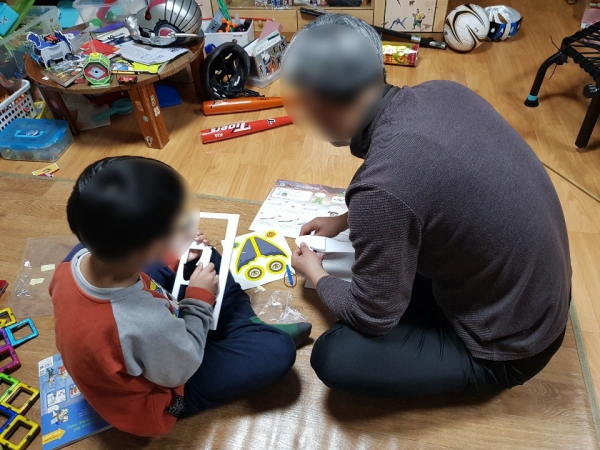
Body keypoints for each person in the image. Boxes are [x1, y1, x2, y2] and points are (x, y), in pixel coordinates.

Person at [285, 15, 571, 397]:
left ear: (318, 101)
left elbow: (372, 315)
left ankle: (484, 369)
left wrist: (317, 274)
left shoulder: (381, 188)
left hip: (511, 344)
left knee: (334, 356)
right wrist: (346, 220)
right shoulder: (443, 91)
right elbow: (428, 186)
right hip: (540, 298)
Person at [50, 156, 311, 436]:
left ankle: (243, 326)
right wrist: (198, 301)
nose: (186, 226)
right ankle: (247, 330)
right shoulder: (142, 323)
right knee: (277, 351)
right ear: (148, 250)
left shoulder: (74, 261)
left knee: (203, 255)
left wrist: (177, 256)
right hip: (161, 393)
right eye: (176, 226)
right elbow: (178, 370)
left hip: (147, 335)